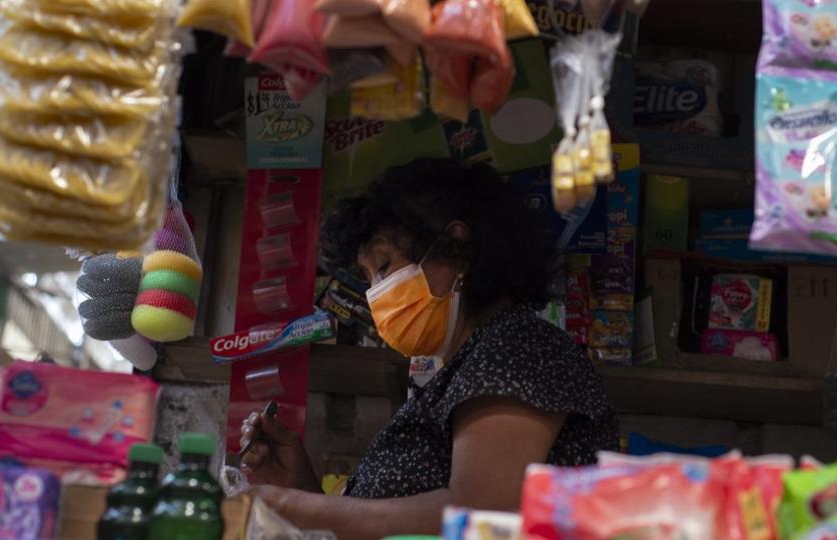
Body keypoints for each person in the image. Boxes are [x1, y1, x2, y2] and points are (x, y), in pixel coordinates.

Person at [241, 158, 619, 539]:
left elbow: (481, 514)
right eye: (368, 277)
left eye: (384, 265)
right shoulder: (458, 371)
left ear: (455, 247)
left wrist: (295, 507)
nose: (375, 292)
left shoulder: (519, 346)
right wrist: (299, 488)